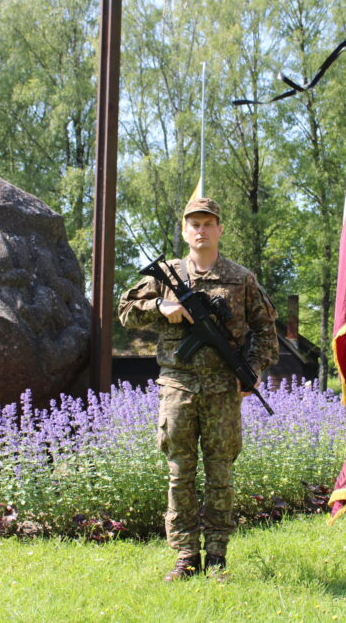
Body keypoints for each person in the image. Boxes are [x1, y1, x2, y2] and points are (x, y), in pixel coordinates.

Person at [118, 197, 278, 581]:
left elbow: (266, 331)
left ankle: (218, 556)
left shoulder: (241, 278)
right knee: (179, 473)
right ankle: (186, 556)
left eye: (208, 223)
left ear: (220, 229)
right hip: (177, 387)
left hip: (224, 389)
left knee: (220, 473)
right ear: (185, 231)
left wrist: (252, 369)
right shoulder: (167, 274)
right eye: (194, 224)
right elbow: (125, 310)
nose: (201, 230)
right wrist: (161, 306)